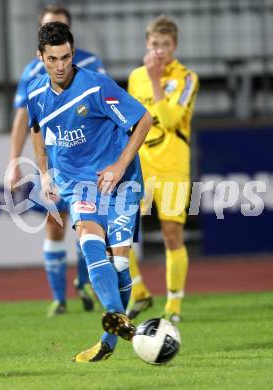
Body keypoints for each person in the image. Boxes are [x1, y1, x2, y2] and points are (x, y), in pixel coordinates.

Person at [27, 22, 152, 362]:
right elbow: (36, 127)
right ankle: (117, 317)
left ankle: (109, 340)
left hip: (120, 181)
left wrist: (120, 165)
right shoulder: (36, 93)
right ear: (40, 57)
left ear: (73, 52)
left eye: (66, 57)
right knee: (88, 240)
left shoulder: (96, 87)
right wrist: (43, 172)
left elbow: (143, 119)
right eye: (52, 59)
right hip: (79, 184)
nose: (60, 65)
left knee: (121, 265)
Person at [8, 5, 106, 317]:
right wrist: (14, 160)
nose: (55, 33)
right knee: (56, 224)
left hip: (87, 159)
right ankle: (59, 297)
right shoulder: (33, 72)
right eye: (49, 27)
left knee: (88, 221)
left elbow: (104, 108)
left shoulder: (90, 65)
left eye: (60, 27)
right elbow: (25, 119)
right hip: (53, 159)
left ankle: (85, 281)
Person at [127, 15, 199, 323]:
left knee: (172, 234)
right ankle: (139, 291)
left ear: (175, 46)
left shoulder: (187, 78)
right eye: (155, 44)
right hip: (141, 165)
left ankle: (174, 304)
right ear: (147, 44)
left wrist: (156, 80)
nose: (160, 50)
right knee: (121, 231)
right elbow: (130, 121)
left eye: (166, 45)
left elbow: (169, 121)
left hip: (172, 166)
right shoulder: (135, 78)